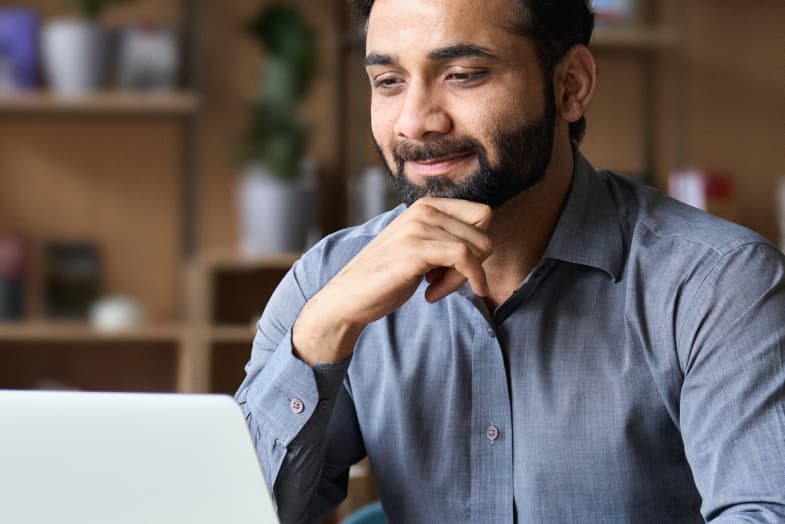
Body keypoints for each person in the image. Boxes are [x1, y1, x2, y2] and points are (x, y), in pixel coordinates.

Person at [236, 0, 785, 522]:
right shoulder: (327, 283)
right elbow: (227, 513)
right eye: (388, 82)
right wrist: (322, 333)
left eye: (463, 74)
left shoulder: (718, 284)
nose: (414, 122)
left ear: (570, 85)